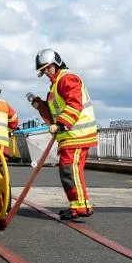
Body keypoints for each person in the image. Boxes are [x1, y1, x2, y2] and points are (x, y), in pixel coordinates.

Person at [29, 49, 98, 220]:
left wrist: (61, 124)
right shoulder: (56, 83)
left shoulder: (67, 78)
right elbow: (54, 112)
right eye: (43, 70)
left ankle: (80, 207)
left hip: (76, 134)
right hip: (70, 135)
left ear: (56, 62)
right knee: (71, 171)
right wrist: (40, 105)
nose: (46, 72)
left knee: (69, 170)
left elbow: (74, 104)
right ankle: (79, 206)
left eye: (48, 68)